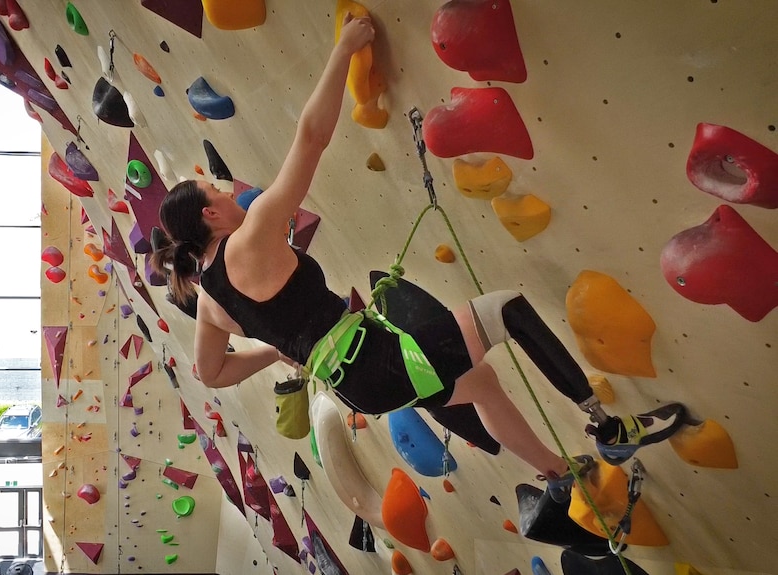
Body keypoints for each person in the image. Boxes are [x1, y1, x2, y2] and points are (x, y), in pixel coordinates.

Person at [151, 14, 686, 502]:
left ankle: (559, 474)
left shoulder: (209, 302)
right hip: (377, 363)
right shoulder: (250, 239)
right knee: (507, 311)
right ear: (210, 218)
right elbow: (310, 139)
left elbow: (213, 373)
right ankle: (606, 428)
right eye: (216, 194)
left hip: (362, 380)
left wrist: (276, 350)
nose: (226, 194)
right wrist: (343, 50)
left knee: (481, 385)